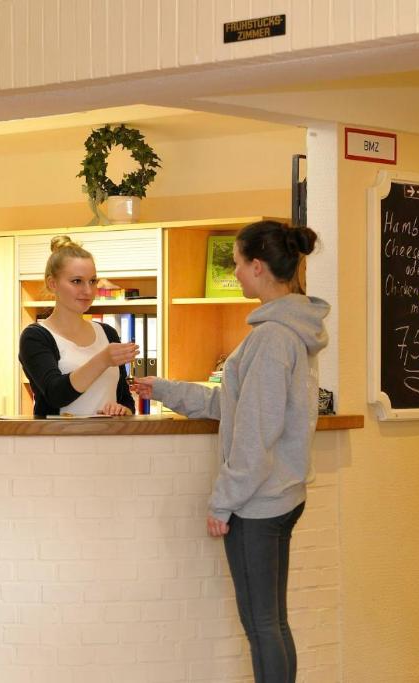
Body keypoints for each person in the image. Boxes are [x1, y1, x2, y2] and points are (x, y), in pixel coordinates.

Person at [136, 220, 329, 683]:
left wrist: (223, 501)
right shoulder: (289, 331)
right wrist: (164, 389)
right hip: (280, 495)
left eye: (238, 263)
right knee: (273, 623)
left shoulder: (271, 338)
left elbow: (255, 433)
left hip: (258, 502)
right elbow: (233, 404)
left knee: (262, 626)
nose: (236, 273)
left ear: (258, 266)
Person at [19, 235, 139, 417]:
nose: (88, 291)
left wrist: (123, 410)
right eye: (77, 281)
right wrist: (103, 360)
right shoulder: (35, 337)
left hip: (109, 435)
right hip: (58, 436)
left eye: (92, 281)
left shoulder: (108, 333)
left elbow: (126, 400)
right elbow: (55, 394)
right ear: (52, 284)